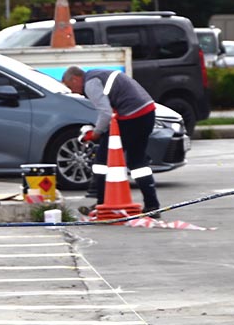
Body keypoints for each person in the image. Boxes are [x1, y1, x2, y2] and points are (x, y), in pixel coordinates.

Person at [60, 66, 162, 216]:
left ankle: (101, 205)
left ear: (75, 79)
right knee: (137, 163)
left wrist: (96, 133)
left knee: (102, 161)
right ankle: (152, 206)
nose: (73, 91)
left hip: (131, 117)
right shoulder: (100, 74)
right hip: (147, 113)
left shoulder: (90, 83)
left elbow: (105, 112)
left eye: (71, 87)